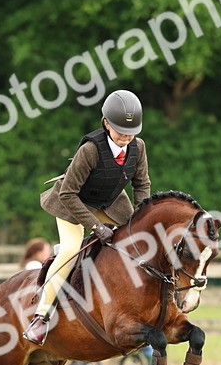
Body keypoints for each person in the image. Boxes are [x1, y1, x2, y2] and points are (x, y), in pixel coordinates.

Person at [23, 89, 151, 345]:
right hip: (72, 203)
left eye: (131, 131)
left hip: (109, 202)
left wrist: (142, 217)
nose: (126, 137)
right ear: (106, 124)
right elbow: (69, 194)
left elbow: (142, 185)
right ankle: (41, 316)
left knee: (141, 242)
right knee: (71, 250)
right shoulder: (91, 150)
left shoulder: (138, 147)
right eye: (120, 131)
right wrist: (95, 226)